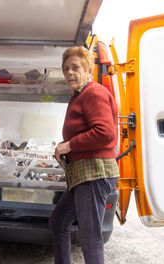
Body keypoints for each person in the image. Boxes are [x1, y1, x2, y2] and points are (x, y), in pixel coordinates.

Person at [50, 46, 119, 264]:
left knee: (90, 237)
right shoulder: (79, 96)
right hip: (82, 175)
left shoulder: (94, 92)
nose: (70, 72)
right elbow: (84, 133)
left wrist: (69, 146)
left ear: (88, 70)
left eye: (76, 67)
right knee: (58, 220)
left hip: (94, 173)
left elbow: (105, 133)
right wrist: (63, 146)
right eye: (66, 69)